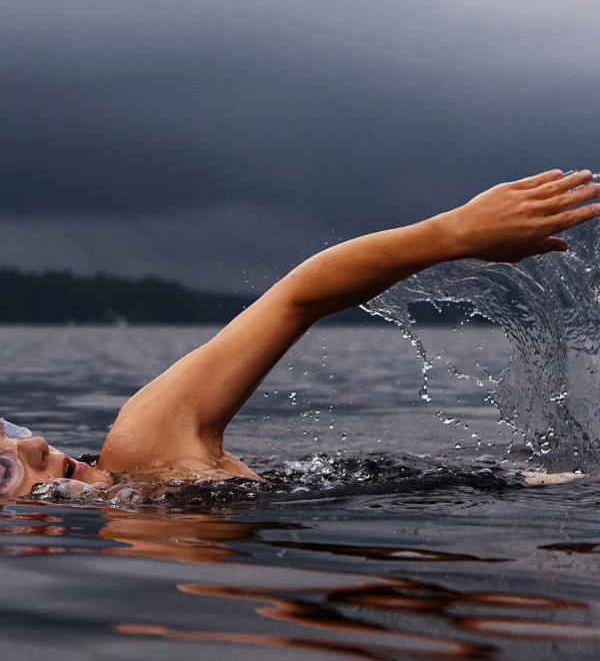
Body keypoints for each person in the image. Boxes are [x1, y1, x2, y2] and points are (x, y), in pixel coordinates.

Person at [1, 168, 600, 499]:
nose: (32, 445)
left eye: (8, 430)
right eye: (2, 472)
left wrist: (453, 234)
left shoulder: (144, 446)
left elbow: (298, 297)